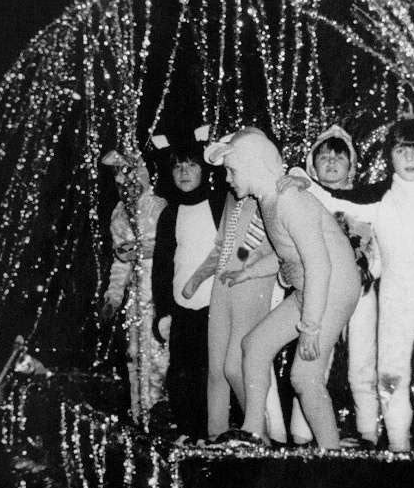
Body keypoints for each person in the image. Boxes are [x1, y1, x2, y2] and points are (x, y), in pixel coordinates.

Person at [290, 118, 414, 453]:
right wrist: (301, 181)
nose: (410, 158)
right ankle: (398, 450)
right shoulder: (380, 195)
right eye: (401, 150)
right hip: (396, 305)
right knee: (390, 380)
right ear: (390, 156)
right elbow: (335, 200)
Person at [208, 127, 362, 450]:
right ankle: (253, 432)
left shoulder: (288, 199)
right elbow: (285, 257)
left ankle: (331, 453)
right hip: (315, 287)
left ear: (253, 164)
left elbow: (319, 264)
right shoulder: (269, 201)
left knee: (303, 378)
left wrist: (310, 326)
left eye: (232, 170)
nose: (228, 179)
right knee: (254, 345)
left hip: (331, 288)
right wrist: (246, 273)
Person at [182, 155, 287, 444]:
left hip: (251, 285)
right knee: (216, 367)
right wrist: (197, 277)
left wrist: (245, 265)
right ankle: (215, 434)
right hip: (223, 285)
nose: (227, 177)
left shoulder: (271, 198)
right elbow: (222, 246)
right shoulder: (233, 198)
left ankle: (259, 431)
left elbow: (275, 249)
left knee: (235, 365)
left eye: (233, 170)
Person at [289, 125, 380, 448]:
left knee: (362, 365)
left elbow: (378, 246)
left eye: (338, 157)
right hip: (322, 293)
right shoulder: (305, 199)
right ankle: (301, 434)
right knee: (313, 361)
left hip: (363, 291)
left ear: (350, 164)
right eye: (323, 157)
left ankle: (369, 434)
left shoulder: (366, 201)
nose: (330, 163)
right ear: (312, 163)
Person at [152, 135, 224, 442]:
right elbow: (162, 267)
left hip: (217, 305)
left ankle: (212, 433)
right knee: (182, 373)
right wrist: (163, 312)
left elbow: (239, 249)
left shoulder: (219, 204)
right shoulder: (169, 214)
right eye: (178, 166)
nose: (184, 172)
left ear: (204, 170)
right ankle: (187, 431)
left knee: (213, 372)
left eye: (192, 165)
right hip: (182, 310)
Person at [100, 151, 167, 423]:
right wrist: (113, 298)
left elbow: (169, 248)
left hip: (160, 292)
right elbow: (120, 263)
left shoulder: (158, 207)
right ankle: (141, 417)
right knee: (134, 356)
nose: (125, 186)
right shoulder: (118, 214)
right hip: (135, 300)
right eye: (119, 182)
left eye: (129, 179)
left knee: (160, 356)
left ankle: (163, 416)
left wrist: (141, 249)